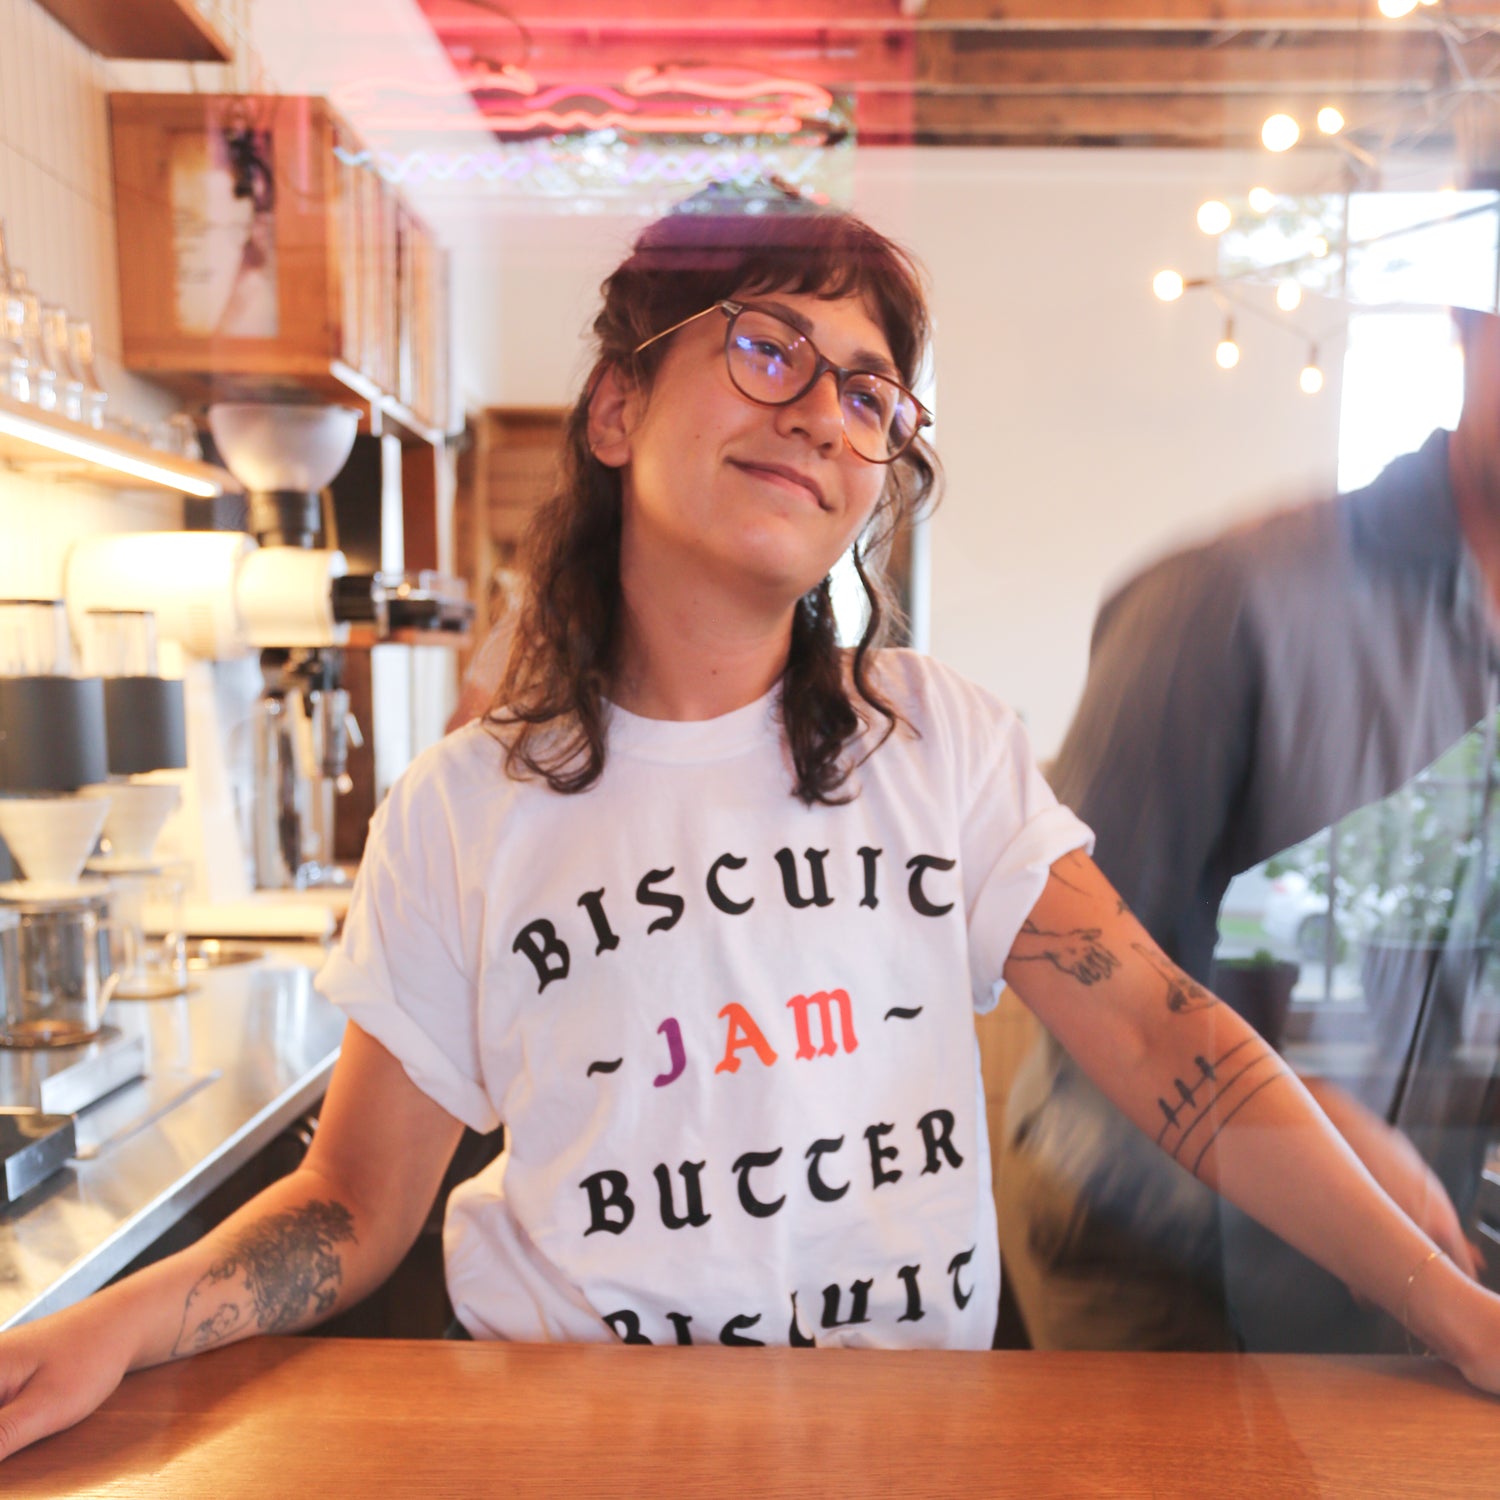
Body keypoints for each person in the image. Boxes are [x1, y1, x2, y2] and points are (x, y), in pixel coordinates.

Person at [4, 187, 1500, 1464]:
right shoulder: (463, 809)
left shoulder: (938, 746)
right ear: (614, 407)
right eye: (768, 346)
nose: (816, 411)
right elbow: (350, 1205)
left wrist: (1458, 1314)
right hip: (564, 1443)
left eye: (867, 393)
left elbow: (1180, 1048)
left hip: (906, 1448)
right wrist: (123, 1323)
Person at [994, 307, 1500, 1353]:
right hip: (1169, 1271)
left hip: (1425, 1279)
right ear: (1473, 324)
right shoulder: (1226, 600)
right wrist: (1297, 1115)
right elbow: (1076, 986)